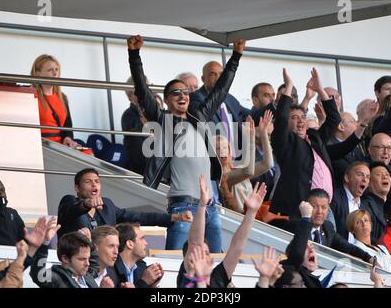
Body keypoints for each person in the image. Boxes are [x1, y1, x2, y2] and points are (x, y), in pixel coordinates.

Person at [128, 34, 245, 252]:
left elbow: (220, 91)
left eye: (186, 92)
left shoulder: (199, 116)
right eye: (175, 93)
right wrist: (134, 55)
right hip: (183, 204)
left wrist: (235, 57)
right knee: (175, 256)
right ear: (166, 99)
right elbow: (142, 92)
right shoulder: (163, 120)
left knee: (215, 260)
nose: (182, 96)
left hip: (210, 205)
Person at [270, 68, 377, 223]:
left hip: (325, 208)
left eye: (303, 117)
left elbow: (334, 119)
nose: (300, 121)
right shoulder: (285, 143)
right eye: (294, 117)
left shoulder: (315, 139)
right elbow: (280, 119)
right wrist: (289, 87)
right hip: (299, 209)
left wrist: (320, 89)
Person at [177, 175, 267, 288]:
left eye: (206, 253)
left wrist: (251, 212)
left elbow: (236, 248)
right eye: (198, 253)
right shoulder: (188, 279)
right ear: (188, 258)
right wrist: (202, 205)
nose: (203, 257)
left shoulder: (218, 278)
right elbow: (195, 242)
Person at [57, 168, 192, 238]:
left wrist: (174, 217)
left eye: (97, 181)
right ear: (77, 187)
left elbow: (137, 216)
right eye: (88, 182)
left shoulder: (106, 205)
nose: (94, 184)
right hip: (77, 260)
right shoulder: (69, 201)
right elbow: (71, 211)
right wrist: (86, 204)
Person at [217, 111, 273, 213]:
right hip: (234, 219)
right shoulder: (220, 176)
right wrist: (250, 139)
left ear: (230, 151)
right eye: (217, 148)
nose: (222, 151)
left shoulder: (237, 168)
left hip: (249, 216)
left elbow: (267, 164)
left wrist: (263, 133)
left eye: (225, 147)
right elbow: (248, 172)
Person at [30, 222, 101, 288]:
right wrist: (45, 243)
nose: (87, 263)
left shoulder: (87, 275)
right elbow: (40, 275)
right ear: (65, 258)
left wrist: (89, 242)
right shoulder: (58, 278)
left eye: (88, 258)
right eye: (82, 259)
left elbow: (95, 264)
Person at [30, 54, 79, 148]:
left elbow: (67, 127)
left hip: (61, 147)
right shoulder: (31, 96)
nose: (55, 73)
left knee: (89, 154)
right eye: (50, 70)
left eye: (56, 69)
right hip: (42, 146)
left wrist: (67, 138)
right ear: (37, 73)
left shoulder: (63, 98)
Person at [346, 209, 391, 274]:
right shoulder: (355, 250)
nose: (364, 224)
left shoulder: (382, 248)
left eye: (366, 220)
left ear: (370, 224)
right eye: (358, 222)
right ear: (352, 229)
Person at [108, 222, 164, 288]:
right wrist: (144, 282)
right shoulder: (110, 270)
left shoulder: (142, 268)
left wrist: (151, 285)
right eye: (142, 238)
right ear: (130, 244)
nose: (146, 243)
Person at [330, 161, 371, 242]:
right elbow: (330, 231)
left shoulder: (365, 208)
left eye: (368, 177)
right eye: (360, 175)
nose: (365, 179)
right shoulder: (334, 198)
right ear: (347, 178)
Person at [361, 162, 391, 243]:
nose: (385, 177)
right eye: (378, 174)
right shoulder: (364, 205)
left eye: (387, 174)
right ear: (369, 182)